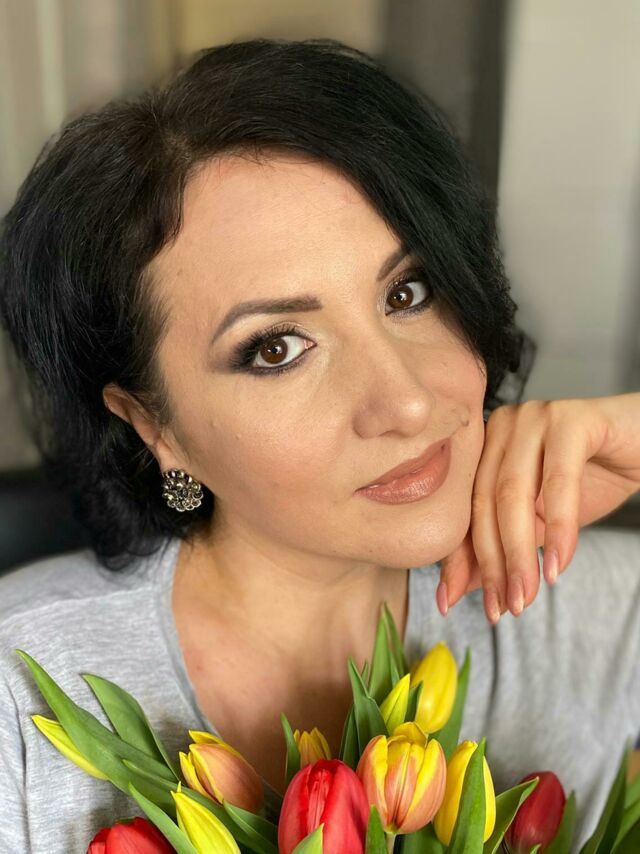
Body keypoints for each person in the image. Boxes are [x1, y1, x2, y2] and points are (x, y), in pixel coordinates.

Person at [0, 37, 638, 853]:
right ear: (155, 425)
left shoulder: (587, 613)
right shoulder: (22, 705)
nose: (408, 400)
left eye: (408, 292)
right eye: (277, 348)